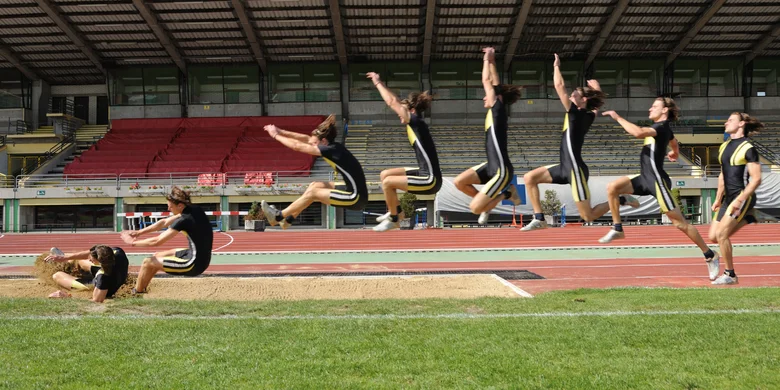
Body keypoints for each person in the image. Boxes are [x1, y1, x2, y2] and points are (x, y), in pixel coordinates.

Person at [600, 97, 719, 276]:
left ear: (664, 111)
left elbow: (638, 133)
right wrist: (675, 152)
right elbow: (673, 141)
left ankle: (709, 254)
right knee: (612, 187)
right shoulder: (665, 131)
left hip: (657, 181)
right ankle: (618, 227)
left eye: (654, 106)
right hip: (644, 178)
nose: (649, 109)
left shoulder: (660, 128)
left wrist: (618, 117)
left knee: (680, 224)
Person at [521, 53, 637, 231]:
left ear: (583, 100)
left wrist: (556, 66)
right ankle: (539, 218)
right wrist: (597, 90)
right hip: (564, 167)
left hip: (575, 170)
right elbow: (596, 107)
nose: (571, 94)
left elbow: (559, 85)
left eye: (575, 93)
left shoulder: (575, 113)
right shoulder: (588, 114)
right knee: (529, 178)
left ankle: (621, 199)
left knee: (587, 215)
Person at [453, 47, 522, 224]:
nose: (484, 98)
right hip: (490, 165)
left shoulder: (497, 109)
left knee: (474, 208)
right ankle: (486, 204)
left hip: (501, 170)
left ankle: (506, 193)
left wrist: (485, 59)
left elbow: (486, 80)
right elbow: (494, 82)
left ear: (496, 97)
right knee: (460, 182)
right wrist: (492, 60)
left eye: (487, 95)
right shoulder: (497, 108)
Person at [261, 115, 368, 228]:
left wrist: (275, 135)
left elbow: (297, 146)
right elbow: (307, 139)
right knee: (315, 185)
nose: (312, 145)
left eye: (315, 143)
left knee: (313, 193)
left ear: (324, 141)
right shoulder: (332, 147)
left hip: (355, 198)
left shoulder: (330, 150)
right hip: (351, 190)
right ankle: (288, 220)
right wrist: (281, 131)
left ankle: (278, 216)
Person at [367, 71, 441, 231]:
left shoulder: (415, 121)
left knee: (388, 183)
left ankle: (394, 219)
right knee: (385, 175)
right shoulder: (414, 123)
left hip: (430, 179)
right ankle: (397, 212)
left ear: (412, 111)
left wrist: (378, 82)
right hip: (424, 172)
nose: (399, 114)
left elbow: (392, 101)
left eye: (404, 110)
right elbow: (397, 102)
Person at [121, 186, 213, 294]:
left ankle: (136, 292)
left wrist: (132, 243)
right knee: (157, 256)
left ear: (180, 205)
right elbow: (164, 223)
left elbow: (157, 241)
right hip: (201, 258)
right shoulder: (194, 210)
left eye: (170, 207)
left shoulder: (184, 220)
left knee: (147, 262)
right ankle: (142, 287)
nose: (168, 209)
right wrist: (138, 233)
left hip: (193, 264)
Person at [708, 112, 764, 285]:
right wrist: (718, 198)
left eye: (730, 120)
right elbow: (722, 176)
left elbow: (756, 178)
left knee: (722, 235)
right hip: (728, 198)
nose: (726, 122)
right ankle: (749, 218)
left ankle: (730, 274)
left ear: (741, 124)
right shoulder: (724, 146)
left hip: (741, 196)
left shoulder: (748, 148)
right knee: (713, 237)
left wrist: (741, 199)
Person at [45, 245, 129, 303]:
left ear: (99, 260)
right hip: (116, 274)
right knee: (80, 260)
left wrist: (67, 297)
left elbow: (96, 301)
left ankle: (69, 270)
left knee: (57, 275)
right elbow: (92, 253)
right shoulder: (118, 252)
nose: (89, 259)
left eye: (91, 258)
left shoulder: (102, 278)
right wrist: (66, 257)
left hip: (103, 286)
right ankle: (65, 260)